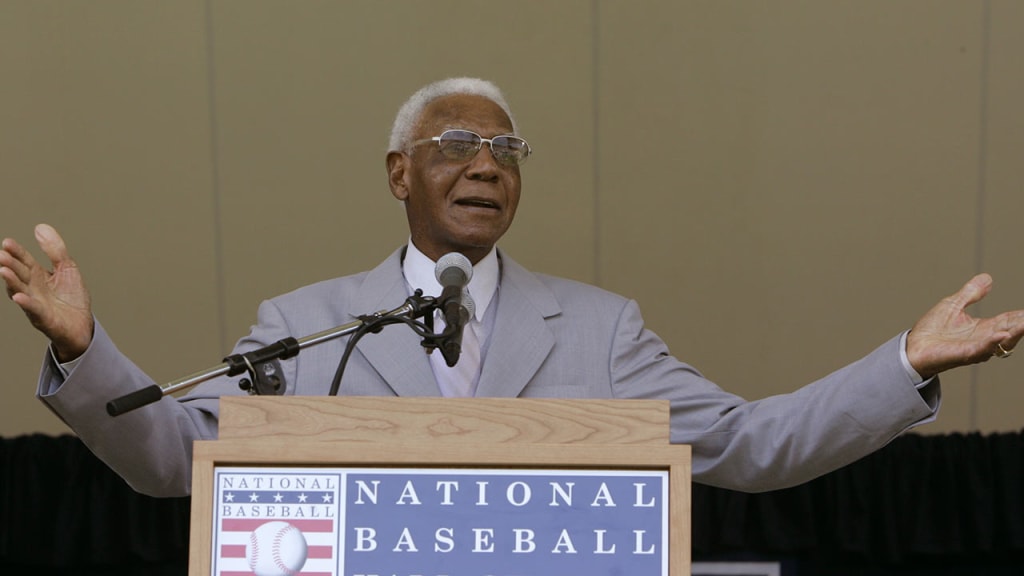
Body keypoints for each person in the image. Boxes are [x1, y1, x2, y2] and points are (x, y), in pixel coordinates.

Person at [3, 78, 1023, 498]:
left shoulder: (598, 330)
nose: (486, 164)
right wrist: (89, 354)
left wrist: (902, 364)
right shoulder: (307, 327)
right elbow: (176, 460)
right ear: (399, 173)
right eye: (455, 145)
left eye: (505, 148)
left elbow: (754, 445)